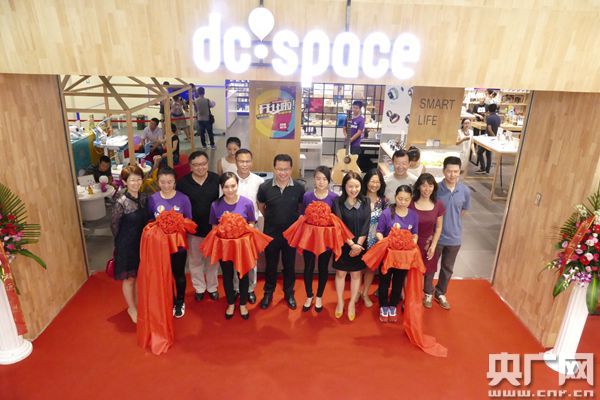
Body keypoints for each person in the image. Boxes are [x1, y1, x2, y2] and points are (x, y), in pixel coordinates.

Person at [257, 154, 305, 310]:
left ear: (291, 169)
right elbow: (261, 206)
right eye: (279, 169)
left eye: (286, 169)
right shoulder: (264, 187)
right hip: (271, 233)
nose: (282, 173)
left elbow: (300, 208)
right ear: (274, 168)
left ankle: (289, 293)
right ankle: (268, 292)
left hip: (291, 235)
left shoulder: (299, 188)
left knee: (289, 265)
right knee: (270, 265)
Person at [209, 172, 256, 320]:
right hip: (225, 247)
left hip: (242, 246)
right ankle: (230, 302)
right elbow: (214, 227)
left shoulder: (247, 203)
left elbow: (252, 223)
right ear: (221, 187)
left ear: (237, 185)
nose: (230, 190)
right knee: (227, 275)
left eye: (233, 186)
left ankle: (242, 304)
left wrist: (241, 229)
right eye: (226, 187)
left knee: (243, 275)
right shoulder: (215, 205)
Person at [147, 167, 192, 318]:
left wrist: (176, 224)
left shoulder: (183, 199)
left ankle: (180, 302)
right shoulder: (152, 199)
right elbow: (150, 221)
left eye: (170, 182)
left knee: (178, 274)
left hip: (178, 245)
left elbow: (189, 221)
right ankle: (169, 300)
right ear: (158, 182)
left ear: (175, 182)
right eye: (163, 182)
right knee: (163, 274)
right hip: (159, 245)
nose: (166, 185)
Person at [177, 151, 221, 302]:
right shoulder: (183, 183)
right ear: (190, 166)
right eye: (196, 165)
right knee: (195, 261)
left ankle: (212, 287)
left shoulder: (216, 180)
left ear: (208, 164)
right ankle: (199, 288)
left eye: (203, 164)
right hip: (193, 232)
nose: (200, 167)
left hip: (213, 230)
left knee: (212, 261)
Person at [110, 165, 148, 324]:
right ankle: (132, 308)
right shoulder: (121, 202)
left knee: (142, 277)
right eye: (132, 180)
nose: (136, 183)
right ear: (125, 182)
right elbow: (114, 226)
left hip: (144, 244)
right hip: (127, 245)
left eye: (139, 179)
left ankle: (141, 304)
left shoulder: (145, 197)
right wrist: (122, 244)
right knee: (130, 279)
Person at [376, 185, 419, 322]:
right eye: (400, 199)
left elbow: (415, 233)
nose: (403, 202)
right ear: (395, 197)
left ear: (411, 199)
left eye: (406, 199)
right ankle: (383, 305)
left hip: (403, 257)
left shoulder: (413, 215)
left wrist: (413, 241)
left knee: (398, 282)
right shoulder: (386, 213)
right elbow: (379, 232)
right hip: (387, 255)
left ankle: (393, 305)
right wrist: (385, 243)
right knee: (384, 281)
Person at [332, 171, 370, 321]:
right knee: (340, 274)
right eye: (350, 186)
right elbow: (339, 225)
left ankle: (352, 303)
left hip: (360, 245)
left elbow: (366, 224)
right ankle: (340, 302)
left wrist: (358, 245)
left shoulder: (366, 201)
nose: (354, 190)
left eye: (357, 186)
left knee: (356, 274)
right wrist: (351, 244)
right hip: (343, 243)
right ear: (344, 186)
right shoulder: (337, 202)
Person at [434, 157, 471, 310]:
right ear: (443, 171)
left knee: (447, 268)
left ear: (459, 172)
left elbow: (463, 211)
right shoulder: (435, 189)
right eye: (449, 171)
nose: (452, 175)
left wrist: (452, 223)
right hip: (436, 237)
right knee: (429, 267)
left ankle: (440, 292)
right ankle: (427, 291)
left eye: (456, 171)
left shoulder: (465, 191)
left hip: (454, 237)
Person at [301, 166, 338, 313]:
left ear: (329, 181)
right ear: (314, 179)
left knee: (323, 267)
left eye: (324, 179)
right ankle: (309, 295)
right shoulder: (307, 196)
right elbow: (302, 215)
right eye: (318, 178)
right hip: (309, 238)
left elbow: (336, 220)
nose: (321, 182)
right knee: (308, 267)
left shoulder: (334, 198)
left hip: (326, 240)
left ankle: (319, 296)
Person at [409, 173, 445, 308]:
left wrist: (433, 246)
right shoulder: (410, 204)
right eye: (424, 185)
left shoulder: (438, 205)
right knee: (411, 271)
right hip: (413, 243)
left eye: (430, 186)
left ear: (434, 187)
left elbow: (439, 227)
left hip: (429, 243)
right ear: (418, 187)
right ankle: (410, 295)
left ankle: (428, 294)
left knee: (429, 271)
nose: (427, 189)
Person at [232, 149, 264, 304]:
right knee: (234, 260)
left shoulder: (259, 181)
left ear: (251, 162)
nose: (244, 164)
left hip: (252, 227)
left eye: (247, 161)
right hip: (232, 229)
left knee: (252, 260)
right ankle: (236, 288)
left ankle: (250, 288)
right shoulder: (229, 179)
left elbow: (261, 205)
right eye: (241, 161)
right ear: (235, 161)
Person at [360, 169, 387, 308]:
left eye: (377, 182)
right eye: (372, 181)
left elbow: (386, 221)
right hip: (359, 238)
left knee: (370, 268)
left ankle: (365, 293)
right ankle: (356, 291)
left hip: (375, 239)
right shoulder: (359, 198)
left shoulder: (383, 201)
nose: (374, 185)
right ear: (366, 181)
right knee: (357, 268)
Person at [476, 103, 500, 175]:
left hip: (489, 138)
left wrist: (493, 137)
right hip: (494, 137)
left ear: (489, 110)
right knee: (488, 154)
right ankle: (487, 170)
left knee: (479, 152)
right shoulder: (498, 118)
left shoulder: (489, 118)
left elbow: (489, 129)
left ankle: (483, 168)